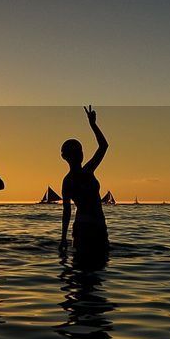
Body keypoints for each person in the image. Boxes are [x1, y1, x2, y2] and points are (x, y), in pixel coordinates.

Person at [59, 105, 110, 266]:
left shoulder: (87, 170)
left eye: (80, 150)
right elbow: (66, 211)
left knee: (94, 271)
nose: (80, 153)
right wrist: (63, 238)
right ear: (67, 157)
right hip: (84, 227)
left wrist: (93, 124)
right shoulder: (71, 179)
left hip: (98, 225)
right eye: (76, 151)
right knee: (87, 271)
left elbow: (103, 146)